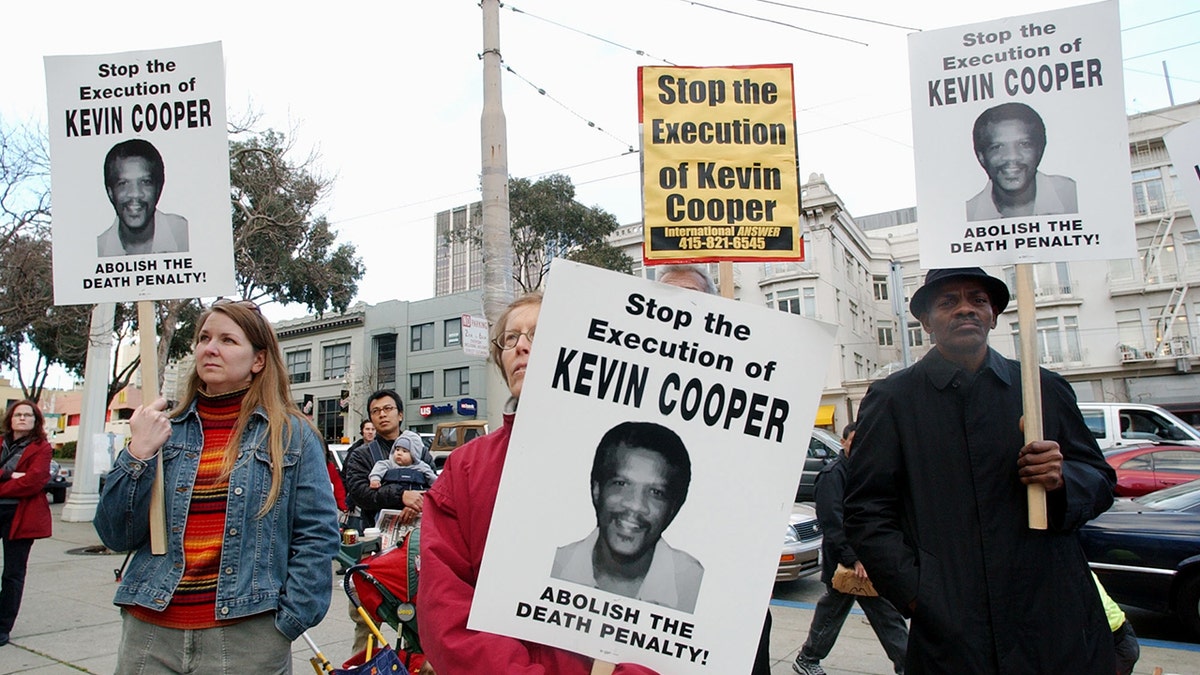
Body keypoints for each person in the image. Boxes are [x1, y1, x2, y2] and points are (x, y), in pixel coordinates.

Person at [843, 267, 1117, 673]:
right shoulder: (892, 399)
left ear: (993, 315)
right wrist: (920, 593)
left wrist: (1061, 480)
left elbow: (1100, 480)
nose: (965, 309)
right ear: (925, 322)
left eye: (978, 300)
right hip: (953, 633)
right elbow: (867, 509)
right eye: (948, 302)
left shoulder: (1043, 388)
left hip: (1054, 619)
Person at [94, 299, 340, 673]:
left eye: (228, 340)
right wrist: (138, 454)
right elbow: (115, 534)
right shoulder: (164, 431)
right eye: (204, 338)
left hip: (245, 637)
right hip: (151, 632)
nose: (210, 348)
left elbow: (318, 536)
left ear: (258, 360)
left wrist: (286, 625)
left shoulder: (291, 435)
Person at [421, 292, 657, 674]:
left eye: (538, 333)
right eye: (510, 339)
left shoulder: (628, 460)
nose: (522, 346)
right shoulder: (466, 467)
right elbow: (444, 605)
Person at [657, 263, 773, 672]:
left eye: (694, 301)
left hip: (732, 578)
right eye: (669, 302)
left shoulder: (752, 376)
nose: (682, 312)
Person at [551, 421, 704, 613]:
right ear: (596, 489)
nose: (636, 505)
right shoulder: (552, 567)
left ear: (673, 508)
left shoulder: (695, 586)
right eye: (621, 484)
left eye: (656, 492)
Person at [792, 423, 907, 675]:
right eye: (853, 440)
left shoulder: (865, 471)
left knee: (850, 611)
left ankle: (808, 658)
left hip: (866, 561)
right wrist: (853, 559)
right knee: (874, 612)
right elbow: (832, 522)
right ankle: (808, 658)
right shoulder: (833, 475)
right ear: (843, 442)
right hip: (847, 563)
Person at [965, 102, 1077, 222]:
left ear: (1040, 150)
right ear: (981, 157)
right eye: (997, 147)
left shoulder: (1071, 195)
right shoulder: (969, 214)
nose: (1012, 156)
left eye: (1024, 144)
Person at [0, 401, 52, 648]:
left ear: (35, 420)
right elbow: (21, 479)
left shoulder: (42, 448)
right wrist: (10, 475)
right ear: (10, 419)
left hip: (19, 515)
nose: (22, 418)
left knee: (12, 573)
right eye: (17, 414)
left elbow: (34, 481)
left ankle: (3, 627)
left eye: (27, 415)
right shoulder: (1, 443)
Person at [342, 390, 427, 529]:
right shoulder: (361, 454)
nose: (382, 414)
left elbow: (437, 487)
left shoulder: (421, 451)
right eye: (376, 411)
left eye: (387, 409)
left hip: (417, 534)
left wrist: (416, 506)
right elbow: (359, 493)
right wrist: (401, 495)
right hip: (375, 536)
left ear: (400, 415)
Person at [96, 138, 190, 256]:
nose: (135, 193)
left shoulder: (184, 235)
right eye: (123, 183)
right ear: (110, 193)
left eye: (145, 182)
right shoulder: (98, 249)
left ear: (158, 188)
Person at [369, 435, 437, 492]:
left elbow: (431, 477)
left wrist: (436, 486)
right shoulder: (390, 464)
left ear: (414, 455)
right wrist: (375, 479)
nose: (399, 453)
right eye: (397, 449)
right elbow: (379, 467)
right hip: (391, 498)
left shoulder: (421, 466)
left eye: (404, 451)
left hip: (415, 498)